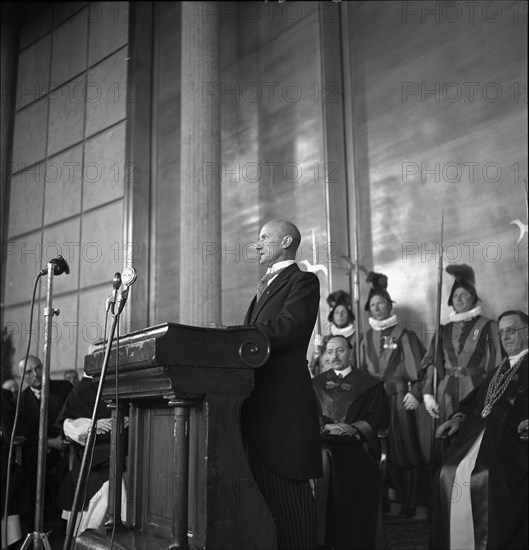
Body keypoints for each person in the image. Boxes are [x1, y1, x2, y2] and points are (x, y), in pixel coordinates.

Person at [241, 219, 322, 550]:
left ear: (286, 240)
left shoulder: (303, 281)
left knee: (291, 507)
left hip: (283, 408)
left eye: (264, 238)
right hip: (257, 407)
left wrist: (237, 340)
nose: (257, 244)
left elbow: (288, 328)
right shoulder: (264, 285)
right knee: (265, 508)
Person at [431, 310, 528, 550]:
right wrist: (458, 418)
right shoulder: (499, 370)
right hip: (482, 438)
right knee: (447, 470)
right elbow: (474, 403)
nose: (505, 337)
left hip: (515, 444)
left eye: (512, 330)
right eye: (502, 332)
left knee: (484, 475)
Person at [312, 335, 390, 550]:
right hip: (323, 444)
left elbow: (378, 419)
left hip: (357, 445)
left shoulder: (370, 385)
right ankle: (323, 541)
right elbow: (308, 416)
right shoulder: (315, 384)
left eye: (340, 350)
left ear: (350, 352)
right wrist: (326, 427)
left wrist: (354, 428)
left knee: (359, 475)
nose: (335, 356)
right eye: (330, 351)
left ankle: (354, 541)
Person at [358, 272, 426, 518]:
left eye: (381, 303)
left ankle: (410, 503)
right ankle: (382, 502)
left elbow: (422, 369)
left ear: (389, 306)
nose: (377, 308)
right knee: (375, 449)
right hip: (374, 400)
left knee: (405, 448)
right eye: (373, 305)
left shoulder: (405, 335)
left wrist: (417, 392)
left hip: (398, 397)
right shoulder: (364, 338)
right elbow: (361, 373)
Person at [422, 265, 501, 423]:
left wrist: (491, 396)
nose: (458, 299)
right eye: (455, 295)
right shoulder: (443, 330)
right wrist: (427, 393)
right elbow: (432, 362)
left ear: (473, 297)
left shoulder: (489, 326)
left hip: (477, 391)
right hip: (446, 394)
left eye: (464, 294)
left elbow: (496, 365)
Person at [55, 371, 126, 533]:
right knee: (112, 485)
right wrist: (92, 425)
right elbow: (67, 426)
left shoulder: (118, 382)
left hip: (126, 448)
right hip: (95, 455)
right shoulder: (82, 389)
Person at [16, 355, 72, 524]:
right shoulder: (21, 400)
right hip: (39, 452)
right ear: (22, 377)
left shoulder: (64, 388)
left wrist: (66, 439)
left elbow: (77, 415)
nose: (35, 373)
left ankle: (67, 530)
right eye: (28, 372)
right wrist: (49, 442)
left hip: (68, 447)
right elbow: (24, 433)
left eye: (38, 368)